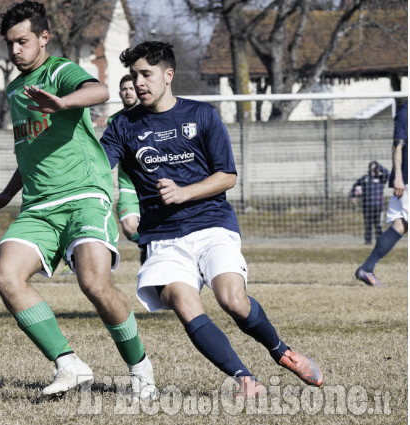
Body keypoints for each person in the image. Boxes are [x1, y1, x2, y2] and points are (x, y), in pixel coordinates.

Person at [100, 41, 324, 398]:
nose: (138, 82)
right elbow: (96, 166)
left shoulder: (202, 115)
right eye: (134, 76)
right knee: (187, 307)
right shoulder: (123, 125)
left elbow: (227, 176)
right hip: (162, 237)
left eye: (146, 74)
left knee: (232, 300)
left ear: (168, 75)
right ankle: (246, 381)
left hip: (212, 225)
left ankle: (282, 352)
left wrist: (184, 192)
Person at [0, 1, 156, 399]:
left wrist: (64, 101)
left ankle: (140, 369)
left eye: (22, 42)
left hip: (86, 195)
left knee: (94, 283)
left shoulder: (59, 71)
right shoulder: (17, 89)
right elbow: (31, 147)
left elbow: (100, 89)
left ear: (43, 38)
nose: (15, 51)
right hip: (38, 205)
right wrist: (6, 193)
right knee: (5, 275)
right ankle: (69, 365)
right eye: (10, 44)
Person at [356, 101, 408, 287]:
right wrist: (399, 177)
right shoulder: (406, 110)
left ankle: (367, 268)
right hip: (406, 180)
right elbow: (397, 146)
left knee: (400, 225)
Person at [108, 75, 140, 243]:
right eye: (124, 89)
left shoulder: (149, 116)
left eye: (131, 88)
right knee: (129, 227)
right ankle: (146, 245)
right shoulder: (114, 121)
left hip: (151, 182)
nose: (128, 92)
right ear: (120, 93)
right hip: (128, 185)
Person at [350, 161, 389, 244]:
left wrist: (380, 168)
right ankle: (368, 241)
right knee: (368, 224)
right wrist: (353, 196)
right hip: (367, 205)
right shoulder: (365, 178)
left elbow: (387, 174)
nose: (374, 170)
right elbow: (355, 186)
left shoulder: (381, 178)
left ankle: (380, 241)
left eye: (375, 168)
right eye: (372, 168)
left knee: (378, 224)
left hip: (378, 205)